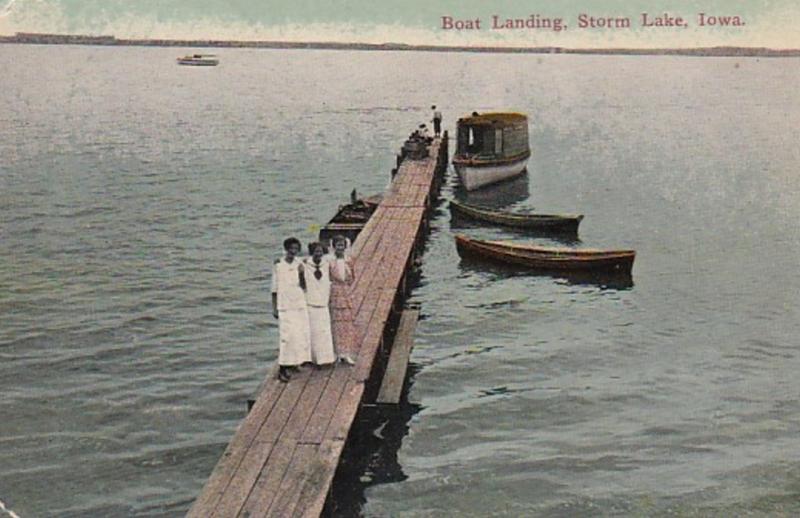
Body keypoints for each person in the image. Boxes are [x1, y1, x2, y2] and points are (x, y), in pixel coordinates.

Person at [271, 237, 312, 382]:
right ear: (286, 249)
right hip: (285, 305)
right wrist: (274, 307)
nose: (293, 252)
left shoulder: (299, 263)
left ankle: (294, 362)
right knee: (286, 337)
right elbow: (274, 289)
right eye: (291, 249)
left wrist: (301, 273)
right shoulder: (278, 265)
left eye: (296, 249)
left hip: (298, 303)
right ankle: (282, 368)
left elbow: (304, 285)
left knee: (299, 334)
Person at [304, 242, 336, 366]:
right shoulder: (305, 264)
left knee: (325, 331)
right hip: (311, 302)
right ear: (312, 253)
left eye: (320, 252)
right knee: (313, 332)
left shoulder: (326, 264)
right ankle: (313, 358)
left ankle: (326, 358)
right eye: (316, 252)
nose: (318, 254)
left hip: (323, 302)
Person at [329, 235, 357, 365]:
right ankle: (336, 353)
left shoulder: (349, 260)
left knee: (347, 323)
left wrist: (347, 288)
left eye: (342, 245)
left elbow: (352, 277)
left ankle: (346, 353)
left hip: (346, 292)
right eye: (338, 245)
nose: (340, 248)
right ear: (334, 247)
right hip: (334, 292)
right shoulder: (330, 261)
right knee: (335, 323)